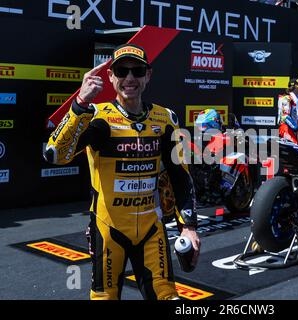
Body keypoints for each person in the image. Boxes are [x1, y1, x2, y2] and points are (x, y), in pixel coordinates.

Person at [44, 43, 200, 300]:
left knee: (168, 296)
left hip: (152, 227)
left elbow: (181, 176)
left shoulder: (166, 119)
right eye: (122, 71)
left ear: (148, 75)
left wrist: (189, 226)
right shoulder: (97, 117)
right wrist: (80, 102)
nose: (130, 78)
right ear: (110, 76)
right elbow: (55, 154)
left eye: (137, 71)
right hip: (108, 228)